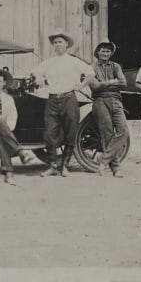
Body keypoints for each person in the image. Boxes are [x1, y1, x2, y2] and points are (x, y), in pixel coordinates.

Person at [29, 29, 91, 177]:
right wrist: (39, 78)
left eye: (60, 42)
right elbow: (35, 72)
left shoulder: (74, 61)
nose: (57, 45)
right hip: (52, 99)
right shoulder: (48, 62)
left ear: (66, 44)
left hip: (69, 98)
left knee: (70, 132)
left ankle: (65, 166)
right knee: (50, 133)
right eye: (55, 42)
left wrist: (81, 86)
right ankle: (52, 166)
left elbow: (90, 73)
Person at [87, 39, 129, 177]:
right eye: (103, 50)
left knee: (123, 131)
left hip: (116, 101)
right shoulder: (91, 67)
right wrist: (111, 81)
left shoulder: (116, 66)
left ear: (111, 53)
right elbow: (94, 86)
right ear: (98, 52)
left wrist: (103, 84)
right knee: (107, 134)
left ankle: (103, 161)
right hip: (100, 101)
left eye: (108, 51)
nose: (105, 53)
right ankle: (116, 169)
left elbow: (123, 83)